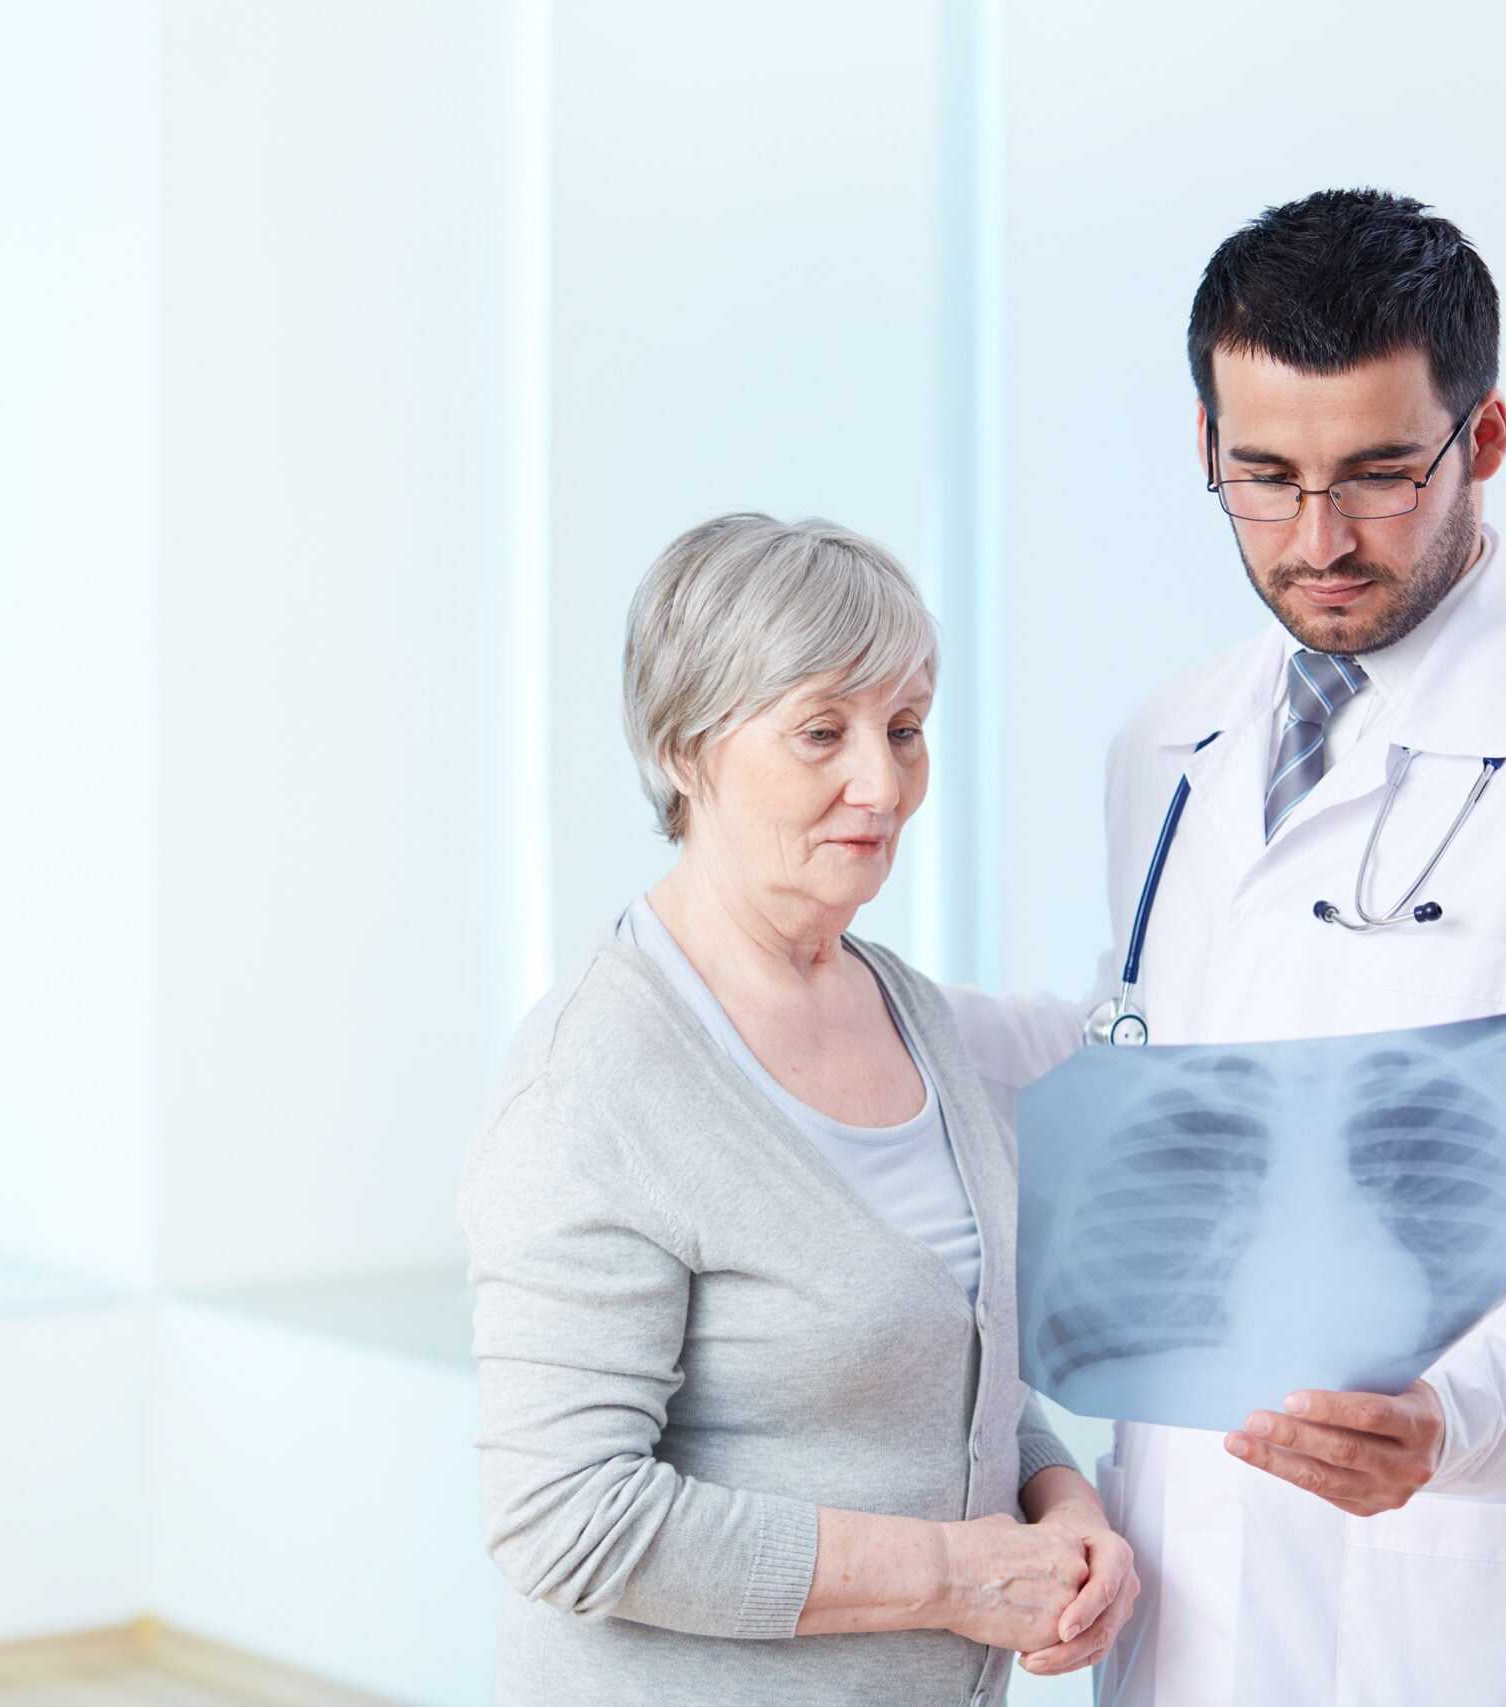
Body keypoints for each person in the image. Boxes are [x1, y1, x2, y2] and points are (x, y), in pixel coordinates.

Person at [947, 188, 1506, 1705]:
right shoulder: (1173, 740)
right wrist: (850, 1008)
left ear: (1488, 437)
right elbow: (1150, 1054)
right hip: (1188, 1567)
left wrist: (1458, 1409)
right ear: (1203, 445)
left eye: (1380, 474)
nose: (1318, 539)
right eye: (1263, 477)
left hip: (1461, 1576)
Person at [461, 514, 1140, 1705]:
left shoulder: (911, 1011)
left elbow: (947, 1375)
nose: (881, 784)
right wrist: (947, 1576)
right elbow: (564, 1519)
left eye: (905, 730)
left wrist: (1058, 1501)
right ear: (684, 747)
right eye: (821, 730)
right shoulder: (593, 1088)